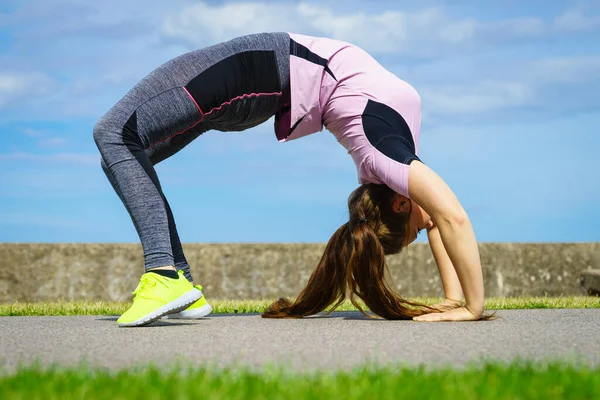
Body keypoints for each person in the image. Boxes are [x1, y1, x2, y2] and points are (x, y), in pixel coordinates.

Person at [94, 32, 489, 327]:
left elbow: (443, 218)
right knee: (123, 154)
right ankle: (178, 278)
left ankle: (164, 275)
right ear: (401, 203)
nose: (427, 225)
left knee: (114, 136)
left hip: (258, 78)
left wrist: (461, 304)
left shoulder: (387, 162)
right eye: (415, 232)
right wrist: (466, 304)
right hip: (262, 77)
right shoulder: (387, 158)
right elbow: (449, 218)